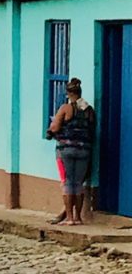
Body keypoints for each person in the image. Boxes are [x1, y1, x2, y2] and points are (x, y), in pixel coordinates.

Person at [47, 78, 95, 226]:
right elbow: (92, 127)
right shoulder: (88, 110)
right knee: (78, 184)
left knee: (67, 183)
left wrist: (50, 131)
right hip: (84, 150)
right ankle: (78, 218)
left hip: (65, 150)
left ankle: (69, 218)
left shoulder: (65, 108)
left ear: (68, 93)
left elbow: (54, 128)